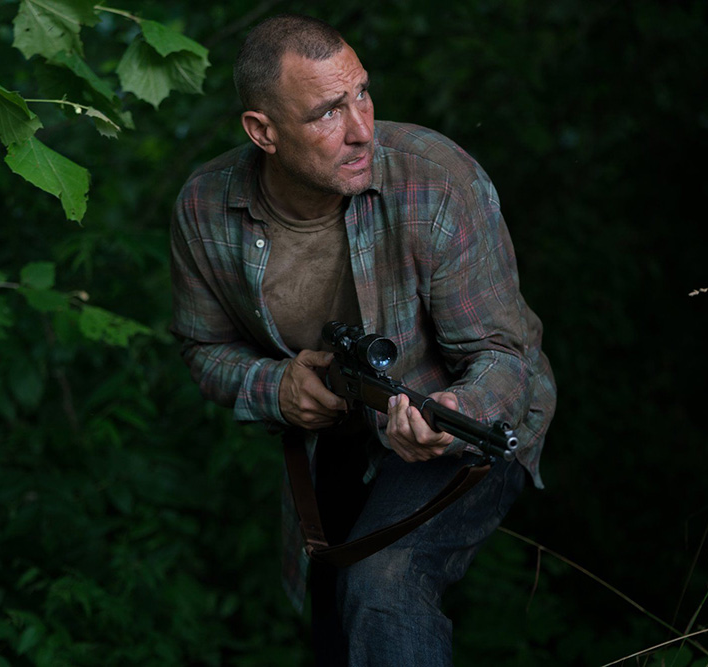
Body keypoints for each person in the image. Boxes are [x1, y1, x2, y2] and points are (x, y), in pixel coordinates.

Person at [169, 14, 556, 667]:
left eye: (363, 94)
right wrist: (276, 387)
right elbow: (202, 349)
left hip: (463, 417)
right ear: (262, 131)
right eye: (327, 112)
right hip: (332, 437)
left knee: (383, 588)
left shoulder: (436, 179)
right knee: (334, 616)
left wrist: (457, 413)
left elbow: (503, 355)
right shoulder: (205, 209)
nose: (361, 130)